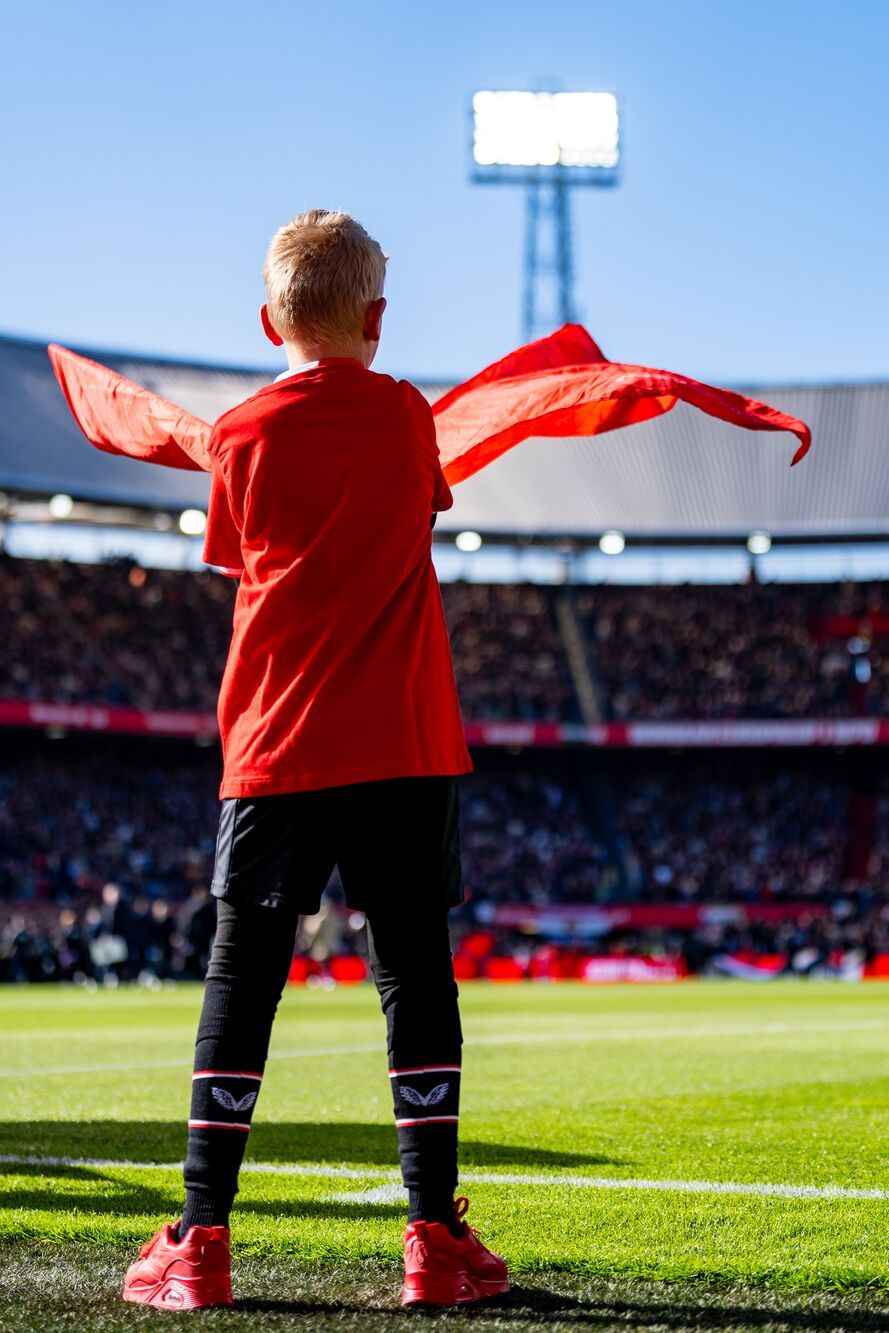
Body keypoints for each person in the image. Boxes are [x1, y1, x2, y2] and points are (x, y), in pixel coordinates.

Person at [122, 210, 509, 1311]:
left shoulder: (239, 435)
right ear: (377, 321)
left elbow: (237, 558)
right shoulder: (407, 417)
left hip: (276, 738)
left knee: (242, 976)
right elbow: (420, 506)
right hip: (400, 737)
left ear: (266, 321)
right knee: (414, 974)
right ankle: (432, 1240)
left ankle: (200, 1239)